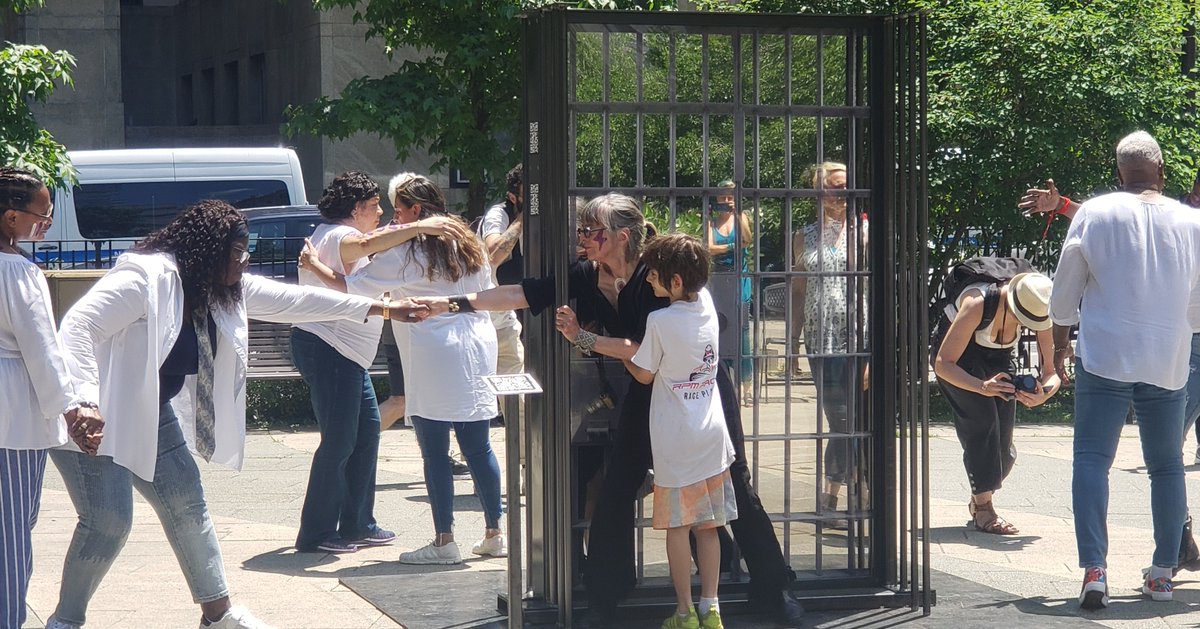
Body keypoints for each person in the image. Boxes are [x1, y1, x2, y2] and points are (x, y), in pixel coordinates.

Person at [416, 193, 805, 626]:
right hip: (649, 395)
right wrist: (452, 304)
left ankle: (775, 589)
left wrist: (581, 337)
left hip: (698, 392)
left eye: (590, 231)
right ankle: (605, 597)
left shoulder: (660, 277)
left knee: (738, 487)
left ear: (621, 237)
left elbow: (642, 353)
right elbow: (524, 293)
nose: (581, 239)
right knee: (618, 488)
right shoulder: (587, 273)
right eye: (581, 230)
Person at [46, 200, 425, 629]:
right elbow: (78, 326)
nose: (244, 262)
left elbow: (295, 300)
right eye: (238, 252)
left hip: (150, 413)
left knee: (188, 504)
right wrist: (84, 401)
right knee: (109, 521)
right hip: (89, 417)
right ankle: (65, 621)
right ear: (208, 251)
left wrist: (383, 309)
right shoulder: (146, 278)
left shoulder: (221, 289)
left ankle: (218, 615)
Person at [302, 174, 506, 565]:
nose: (393, 220)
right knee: (479, 444)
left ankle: (444, 540)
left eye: (398, 210)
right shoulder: (469, 242)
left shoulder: (406, 249)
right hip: (478, 343)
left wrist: (314, 266)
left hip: (432, 347)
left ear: (416, 211)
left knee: (434, 448)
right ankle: (494, 532)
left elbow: (355, 289)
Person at [1049, 131, 1200, 609]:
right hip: (1167, 357)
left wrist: (1057, 346)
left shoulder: (1095, 212)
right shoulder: (1192, 222)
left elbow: (1063, 293)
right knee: (1167, 465)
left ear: (1120, 173)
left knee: (1092, 459)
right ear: (1160, 171)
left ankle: (1095, 571)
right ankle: (1160, 575)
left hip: (1105, 356)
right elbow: (1197, 307)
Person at [0, 167, 103, 629]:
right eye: (41, 215)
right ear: (9, 217)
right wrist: (74, 409)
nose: (46, 222)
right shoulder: (17, 271)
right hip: (12, 419)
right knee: (11, 536)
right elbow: (43, 350)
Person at [618, 233, 737, 629]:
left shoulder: (659, 321)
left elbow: (643, 373)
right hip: (712, 438)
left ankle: (683, 613)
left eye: (655, 275)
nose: (649, 281)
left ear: (676, 281)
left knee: (677, 528)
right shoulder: (705, 303)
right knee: (710, 527)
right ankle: (711, 607)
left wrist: (609, 349)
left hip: (676, 441)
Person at [933, 271, 1060, 534]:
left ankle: (980, 495)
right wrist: (981, 386)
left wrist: (1043, 394)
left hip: (997, 361)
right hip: (959, 361)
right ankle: (984, 509)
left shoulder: (1038, 306)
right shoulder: (977, 303)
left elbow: (1052, 373)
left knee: (1004, 449)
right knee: (983, 426)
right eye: (1021, 317)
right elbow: (943, 365)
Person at [789, 161, 869, 524]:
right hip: (819, 338)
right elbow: (798, 288)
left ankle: (835, 493)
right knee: (837, 416)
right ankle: (855, 488)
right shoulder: (802, 236)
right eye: (836, 187)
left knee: (851, 417)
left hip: (856, 337)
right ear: (819, 193)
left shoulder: (863, 232)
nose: (843, 194)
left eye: (847, 187)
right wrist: (791, 340)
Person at [705, 180, 754, 405]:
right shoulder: (710, 221)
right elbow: (708, 248)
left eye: (730, 196)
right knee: (720, 329)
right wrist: (731, 248)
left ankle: (747, 388)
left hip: (739, 281)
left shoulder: (741, 217)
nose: (726, 200)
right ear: (716, 199)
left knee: (742, 332)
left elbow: (747, 240)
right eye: (723, 196)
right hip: (718, 281)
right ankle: (725, 382)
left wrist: (737, 213)